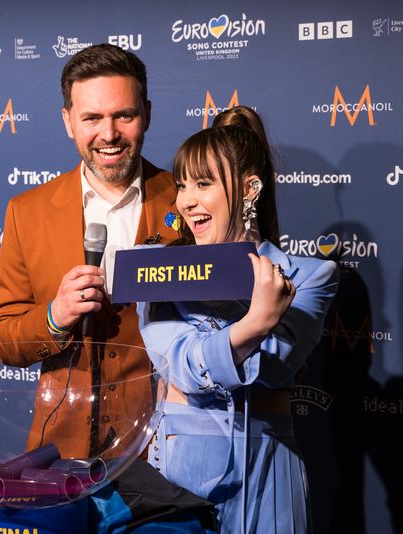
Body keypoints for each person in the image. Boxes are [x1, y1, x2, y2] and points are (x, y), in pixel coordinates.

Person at [137, 107, 339, 533]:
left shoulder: (310, 275)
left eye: (203, 184)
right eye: (182, 185)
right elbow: (183, 367)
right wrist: (256, 323)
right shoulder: (158, 273)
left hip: (269, 474)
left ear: (249, 189)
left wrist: (262, 323)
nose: (186, 200)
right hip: (179, 472)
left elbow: (274, 367)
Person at [0, 44, 177, 459]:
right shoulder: (27, 212)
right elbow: (4, 338)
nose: (108, 135)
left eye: (123, 116)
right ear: (68, 121)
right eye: (92, 117)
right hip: (60, 456)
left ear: (146, 113)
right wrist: (55, 317)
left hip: (165, 453)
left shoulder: (187, 203)